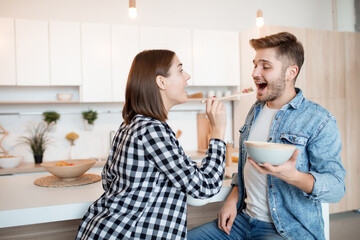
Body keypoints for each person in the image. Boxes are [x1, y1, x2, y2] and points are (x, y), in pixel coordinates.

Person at [188, 32, 346, 240]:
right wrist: (233, 198)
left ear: (291, 72)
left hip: (285, 230)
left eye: (265, 66)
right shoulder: (255, 111)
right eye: (254, 65)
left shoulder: (319, 119)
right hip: (242, 221)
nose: (255, 73)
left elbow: (337, 187)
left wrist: (293, 176)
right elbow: (246, 165)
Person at [76, 49, 227, 240]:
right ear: (161, 82)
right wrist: (218, 132)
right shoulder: (152, 130)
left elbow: (108, 180)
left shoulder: (131, 123)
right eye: (180, 70)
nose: (187, 76)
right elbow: (205, 187)